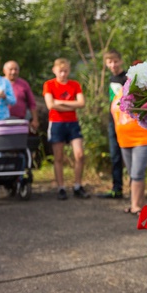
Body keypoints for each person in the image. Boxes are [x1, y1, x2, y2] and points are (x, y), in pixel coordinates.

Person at [43, 58, 88, 200]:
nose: (63, 74)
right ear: (54, 70)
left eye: (65, 71)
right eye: (60, 71)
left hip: (73, 122)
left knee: (79, 155)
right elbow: (51, 105)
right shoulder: (49, 84)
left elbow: (81, 103)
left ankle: (77, 185)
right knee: (58, 157)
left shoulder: (74, 84)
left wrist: (60, 102)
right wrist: (70, 104)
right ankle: (61, 187)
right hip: (57, 122)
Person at [111, 83, 147, 215]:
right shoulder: (120, 92)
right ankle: (140, 203)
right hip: (124, 139)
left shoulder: (146, 92)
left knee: (137, 173)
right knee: (133, 173)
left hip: (143, 137)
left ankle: (135, 206)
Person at [98, 50, 128, 199]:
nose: (113, 65)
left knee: (128, 156)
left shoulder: (128, 77)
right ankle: (117, 188)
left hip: (126, 124)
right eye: (109, 62)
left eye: (115, 61)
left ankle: (134, 189)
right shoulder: (111, 78)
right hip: (113, 122)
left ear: (120, 61)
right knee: (115, 156)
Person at [3, 60, 39, 131]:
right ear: (4, 70)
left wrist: (35, 120)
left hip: (20, 121)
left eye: (16, 69)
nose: (13, 72)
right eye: (10, 69)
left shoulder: (24, 84)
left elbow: (32, 103)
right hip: (2, 121)